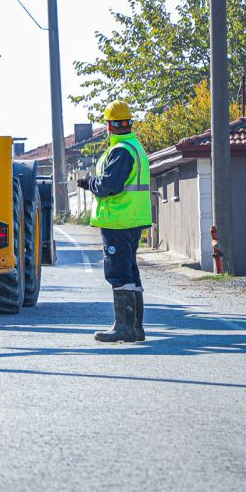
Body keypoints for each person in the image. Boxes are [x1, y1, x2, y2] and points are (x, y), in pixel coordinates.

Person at [77, 100, 151, 343]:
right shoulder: (135, 147)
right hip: (132, 218)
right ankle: (135, 328)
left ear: (108, 126)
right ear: (129, 123)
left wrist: (90, 183)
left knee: (118, 272)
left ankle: (125, 328)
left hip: (118, 220)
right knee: (130, 270)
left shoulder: (120, 151)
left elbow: (110, 186)